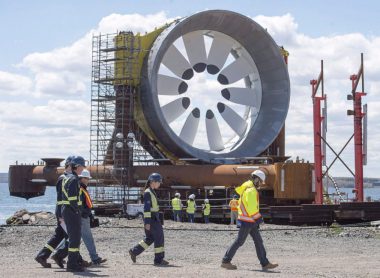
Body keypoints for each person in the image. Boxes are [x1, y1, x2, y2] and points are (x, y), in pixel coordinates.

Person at [221, 170, 278, 271]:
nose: (260, 184)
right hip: (248, 220)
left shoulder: (247, 188)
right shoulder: (251, 190)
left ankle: (265, 263)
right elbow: (252, 209)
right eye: (260, 181)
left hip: (249, 220)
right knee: (239, 241)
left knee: (258, 241)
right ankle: (226, 261)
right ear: (256, 179)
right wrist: (260, 220)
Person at [35, 156, 74, 268]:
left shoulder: (63, 178)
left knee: (59, 235)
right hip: (63, 211)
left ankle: (43, 255)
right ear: (69, 166)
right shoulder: (65, 179)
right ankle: (60, 256)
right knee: (73, 236)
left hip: (60, 210)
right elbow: (64, 197)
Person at [129, 173, 169, 266]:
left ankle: (134, 251)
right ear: (153, 182)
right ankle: (158, 260)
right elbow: (146, 209)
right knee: (159, 238)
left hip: (153, 218)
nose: (160, 184)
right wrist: (147, 222)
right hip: (152, 219)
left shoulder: (151, 191)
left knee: (150, 238)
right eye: (159, 182)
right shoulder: (148, 192)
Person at [61, 155, 86, 272]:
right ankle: (72, 265)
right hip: (71, 211)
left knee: (73, 238)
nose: (82, 169)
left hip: (67, 210)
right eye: (81, 166)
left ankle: (73, 263)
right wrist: (77, 210)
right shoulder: (74, 179)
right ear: (76, 166)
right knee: (75, 239)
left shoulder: (68, 177)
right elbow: (72, 199)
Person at [78, 169, 107, 265]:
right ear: (81, 178)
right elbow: (81, 205)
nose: (87, 180)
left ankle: (58, 254)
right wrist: (86, 213)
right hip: (82, 217)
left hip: (82, 216)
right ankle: (95, 258)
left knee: (73, 238)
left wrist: (90, 214)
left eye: (88, 178)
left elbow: (85, 204)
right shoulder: (80, 189)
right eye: (86, 178)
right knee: (88, 238)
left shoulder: (82, 188)